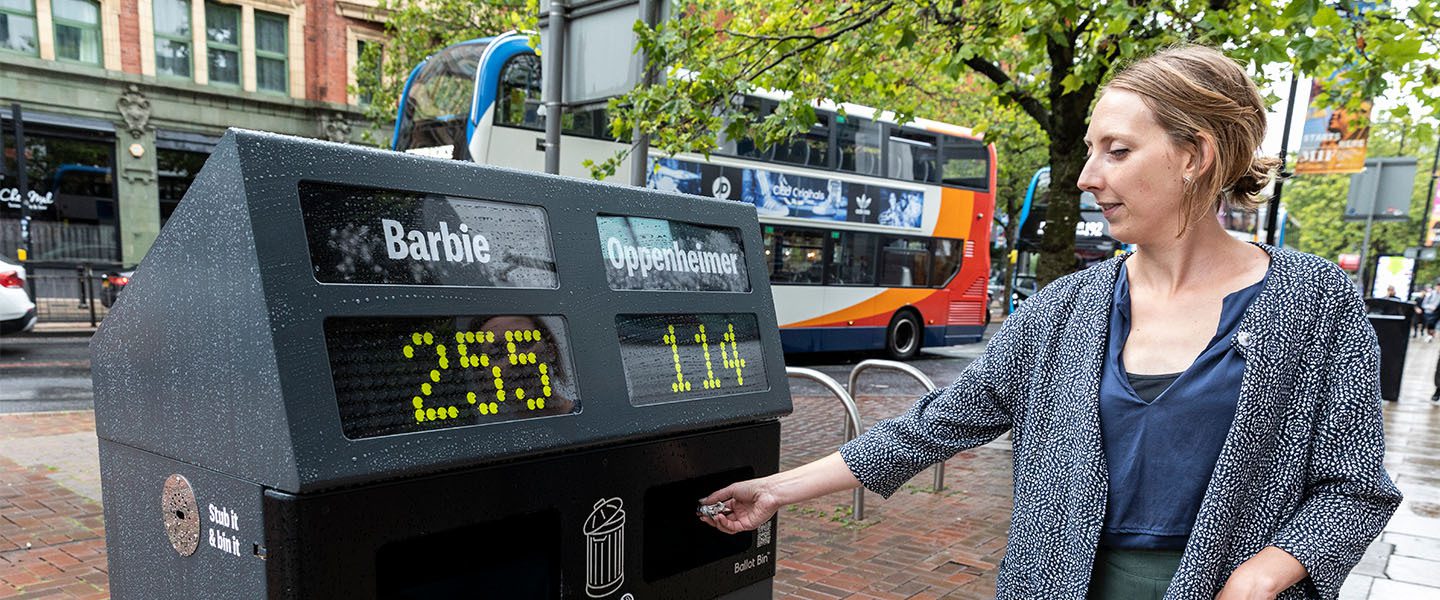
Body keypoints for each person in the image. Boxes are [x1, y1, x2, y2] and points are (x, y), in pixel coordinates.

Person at [699, 45, 1401, 600]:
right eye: (1090, 149)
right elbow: (931, 427)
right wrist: (776, 488)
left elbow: (1354, 486)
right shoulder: (1064, 309)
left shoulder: (1312, 302)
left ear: (1194, 156)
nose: (1087, 176)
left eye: (1117, 151)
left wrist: (1268, 573)